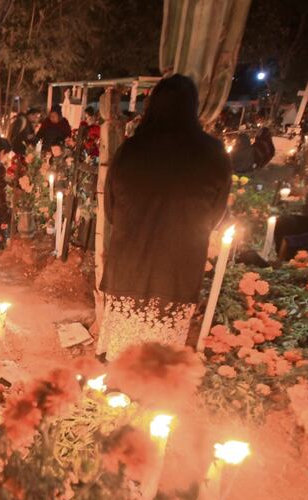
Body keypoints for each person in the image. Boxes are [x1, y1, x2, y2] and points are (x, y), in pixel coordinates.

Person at [97, 74, 231, 360]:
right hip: (177, 275)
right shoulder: (213, 154)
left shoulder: (130, 150)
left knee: (123, 359)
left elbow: (111, 212)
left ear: (152, 106)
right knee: (160, 366)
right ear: (194, 106)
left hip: (128, 271)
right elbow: (215, 217)